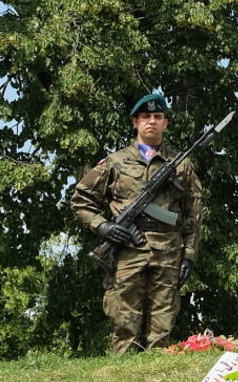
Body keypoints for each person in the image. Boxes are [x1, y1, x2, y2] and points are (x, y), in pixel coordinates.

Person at [71, 91, 202, 354]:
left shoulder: (181, 165)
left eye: (157, 116)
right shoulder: (115, 162)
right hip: (127, 250)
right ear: (135, 122)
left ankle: (154, 381)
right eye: (145, 116)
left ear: (166, 123)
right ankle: (122, 380)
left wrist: (189, 255)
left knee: (162, 324)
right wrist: (103, 226)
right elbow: (80, 198)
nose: (151, 121)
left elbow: (194, 213)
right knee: (124, 322)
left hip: (167, 251)